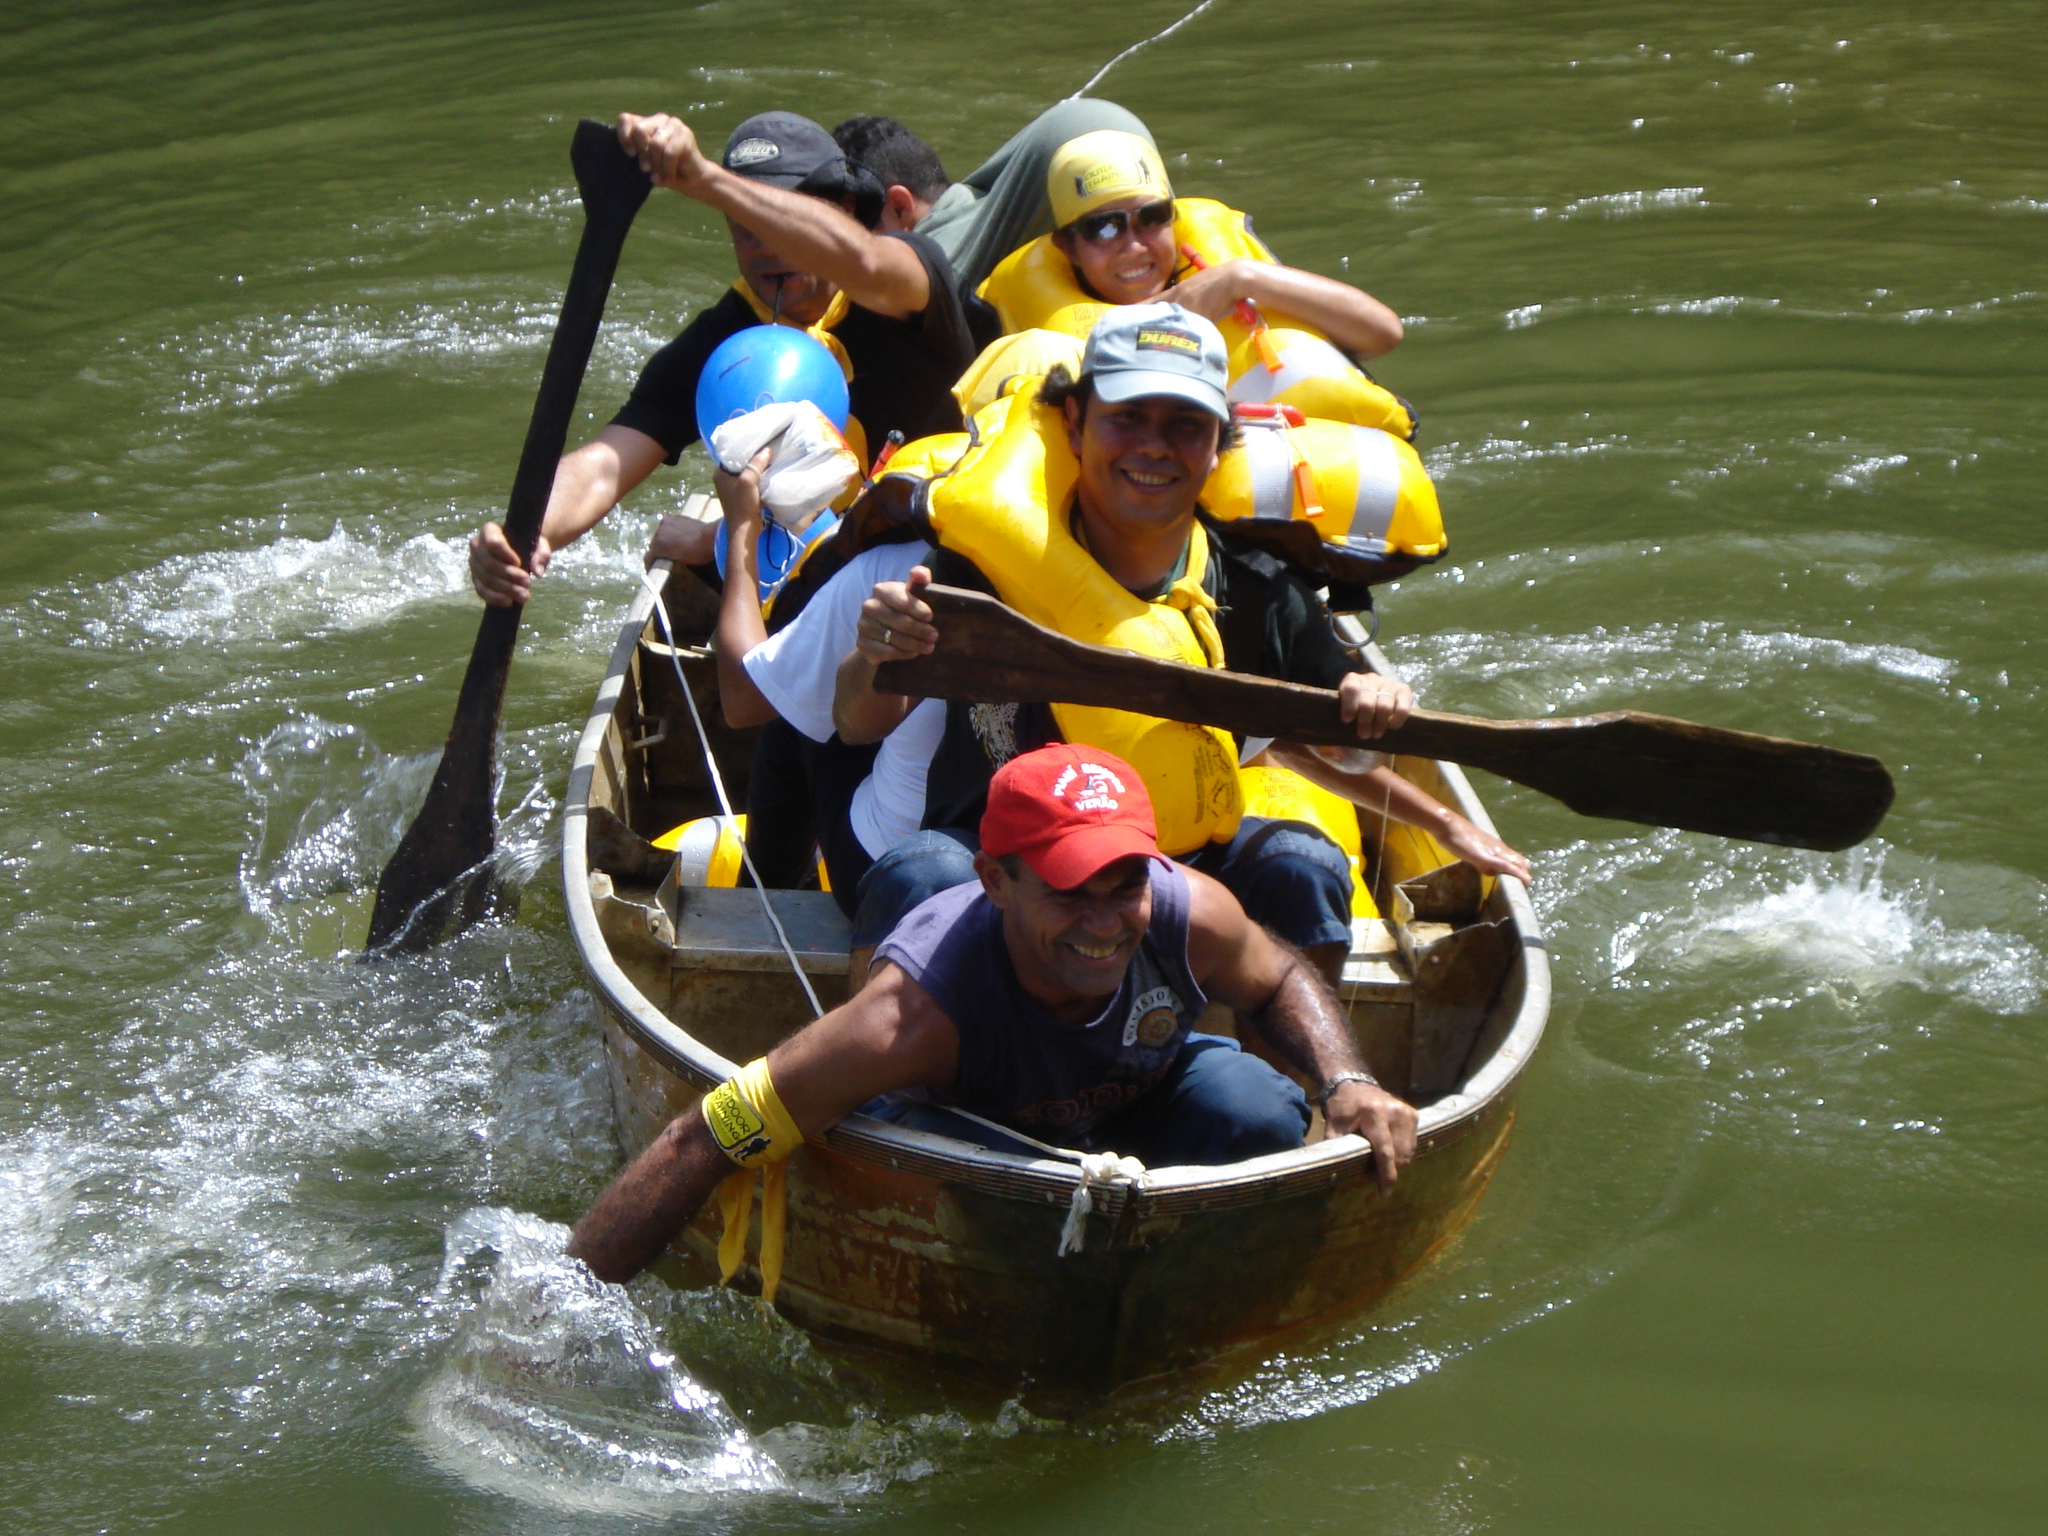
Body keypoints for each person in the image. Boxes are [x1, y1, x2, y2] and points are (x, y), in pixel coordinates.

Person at [834, 305, 1528, 983]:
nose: (1154, 446)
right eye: (1127, 417)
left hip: (1177, 867)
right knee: (919, 870)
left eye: (1186, 426)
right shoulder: (982, 568)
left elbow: (1322, 744)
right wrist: (875, 653)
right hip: (1010, 868)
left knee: (1303, 860)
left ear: (1220, 441)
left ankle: (1311, 1091)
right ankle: (884, 1088)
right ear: (1076, 423)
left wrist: (1378, 709)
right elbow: (856, 722)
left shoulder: (1259, 591)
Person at [565, 743, 1418, 1286]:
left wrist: (1348, 1080)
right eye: (1065, 893)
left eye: (1123, 886)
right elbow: (709, 1132)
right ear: (995, 880)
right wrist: (567, 1301)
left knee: (1262, 1106)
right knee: (934, 1172)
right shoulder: (914, 1011)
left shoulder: (1189, 910)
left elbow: (1277, 980)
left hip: (1135, 1098)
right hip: (971, 1135)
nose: (1103, 922)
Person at [468, 108, 982, 607]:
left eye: (781, 220)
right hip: (821, 587)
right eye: (744, 226)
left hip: (940, 564)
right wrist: (526, 529)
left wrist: (704, 178)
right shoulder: (723, 335)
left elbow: (864, 259)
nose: (764, 247)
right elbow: (605, 465)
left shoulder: (907, 282)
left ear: (846, 211)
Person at [708, 444, 943, 907]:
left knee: (790, 714)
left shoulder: (903, 566)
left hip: (896, 874)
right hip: (1042, 863)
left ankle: (765, 900)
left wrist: (742, 526)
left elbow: (743, 701)